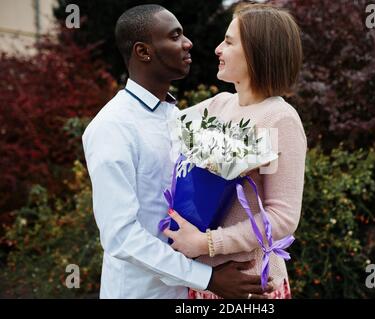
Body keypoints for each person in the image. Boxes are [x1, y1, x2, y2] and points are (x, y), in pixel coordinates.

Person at [82, 4, 272, 299]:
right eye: (174, 36)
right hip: (140, 293)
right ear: (143, 52)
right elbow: (120, 237)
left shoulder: (180, 118)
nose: (188, 43)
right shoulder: (111, 127)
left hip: (187, 293)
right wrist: (207, 278)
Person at [162, 3, 307, 299]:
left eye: (228, 42)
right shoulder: (217, 106)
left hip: (251, 284)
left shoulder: (280, 119)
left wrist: (207, 243)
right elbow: (162, 124)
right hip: (202, 280)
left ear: (257, 51)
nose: (217, 49)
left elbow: (282, 218)